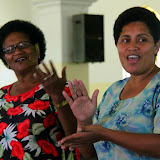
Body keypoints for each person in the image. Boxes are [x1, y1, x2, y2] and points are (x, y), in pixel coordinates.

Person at [58, 6, 160, 160]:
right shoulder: (113, 91)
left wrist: (105, 133)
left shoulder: (157, 87)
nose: (132, 46)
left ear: (156, 46)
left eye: (142, 39)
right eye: (125, 40)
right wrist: (84, 120)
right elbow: (91, 155)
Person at [0, 20, 79, 160]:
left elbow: (77, 137)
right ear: (5, 59)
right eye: (9, 49)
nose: (17, 51)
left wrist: (57, 96)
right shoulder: (1, 95)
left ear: (37, 49)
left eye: (23, 45)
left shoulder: (61, 88)